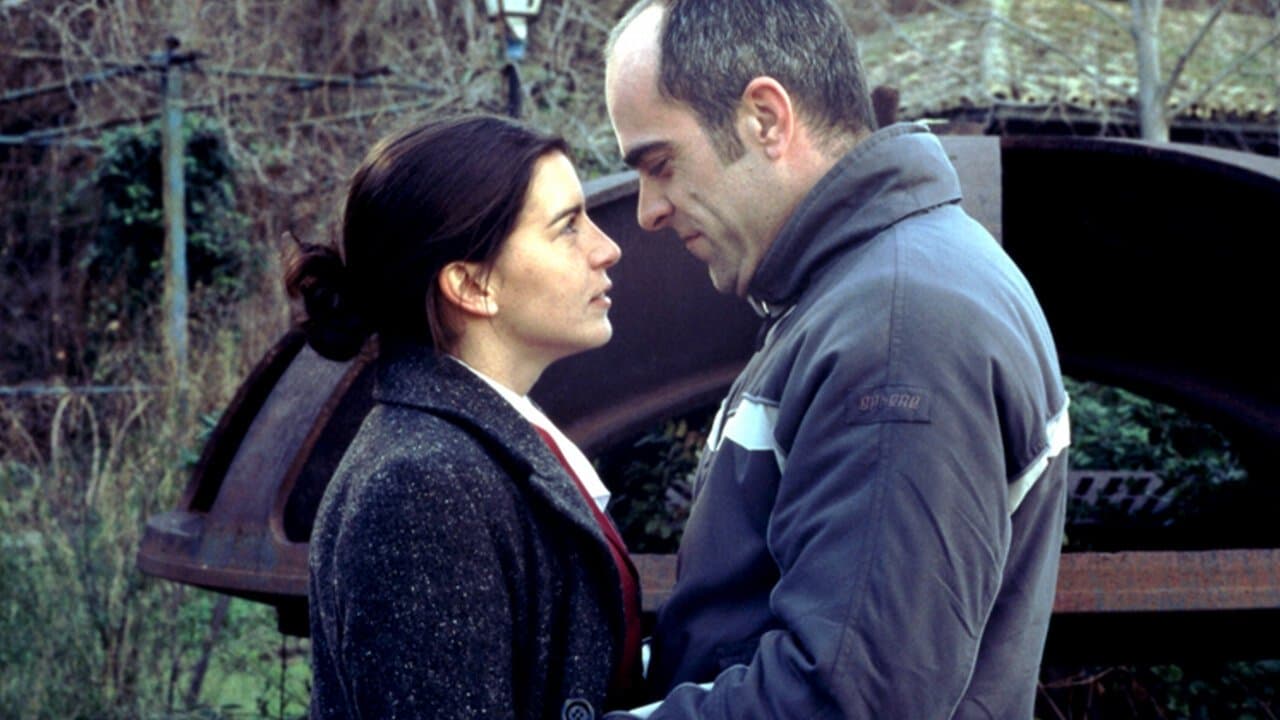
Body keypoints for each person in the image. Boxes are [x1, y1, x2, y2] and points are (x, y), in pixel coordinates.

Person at [603, 1, 1071, 718]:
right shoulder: (869, 293)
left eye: (661, 164)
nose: (648, 211)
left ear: (765, 119)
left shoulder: (896, 329)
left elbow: (849, 698)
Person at [288, 114, 641, 720]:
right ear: (472, 285)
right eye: (566, 227)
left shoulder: (479, 445)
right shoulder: (419, 485)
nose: (607, 248)